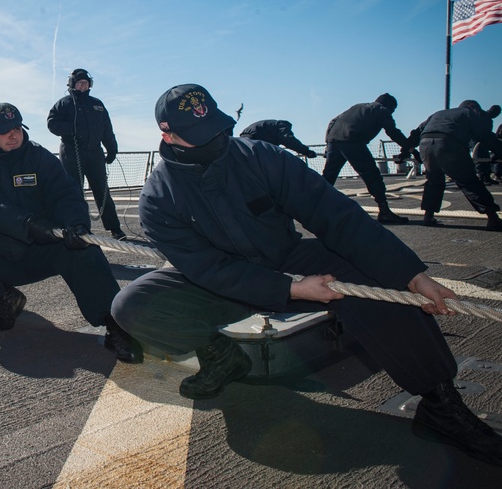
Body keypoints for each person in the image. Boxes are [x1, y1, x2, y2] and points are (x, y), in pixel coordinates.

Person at [111, 83, 502, 466]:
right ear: (166, 133)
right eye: (200, 134)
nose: (215, 138)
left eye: (217, 126)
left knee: (377, 280)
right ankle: (220, 355)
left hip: (287, 255)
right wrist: (291, 289)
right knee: (134, 304)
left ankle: (440, 406)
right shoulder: (158, 199)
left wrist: (412, 275)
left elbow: (336, 216)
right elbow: (208, 268)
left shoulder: (261, 157)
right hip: (222, 280)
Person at [0, 102, 141, 363]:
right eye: (4, 130)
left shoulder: (39, 156)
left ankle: (115, 325)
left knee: (86, 251)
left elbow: (65, 192)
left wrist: (76, 223)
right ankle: (6, 297)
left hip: (45, 248)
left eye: (17, 128)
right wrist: (30, 224)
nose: (13, 134)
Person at [47, 69, 126, 240]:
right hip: (72, 151)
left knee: (102, 190)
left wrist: (112, 148)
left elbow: (107, 128)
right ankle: (78, 226)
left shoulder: (97, 104)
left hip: (95, 152)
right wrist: (71, 129)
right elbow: (52, 123)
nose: (83, 85)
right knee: (74, 190)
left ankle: (115, 228)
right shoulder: (65, 103)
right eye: (79, 82)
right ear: (72, 84)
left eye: (85, 82)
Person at [402, 101, 502, 230]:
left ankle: (428, 216)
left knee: (433, 181)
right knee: (468, 181)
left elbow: (416, 132)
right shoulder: (468, 113)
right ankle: (493, 217)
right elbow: (485, 136)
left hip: (425, 145)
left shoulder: (438, 113)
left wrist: (405, 151)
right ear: (472, 107)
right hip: (448, 144)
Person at [321, 93, 410, 224]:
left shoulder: (357, 106)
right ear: (390, 106)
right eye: (393, 109)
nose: (392, 112)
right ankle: (384, 211)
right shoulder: (382, 110)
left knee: (328, 177)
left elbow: (333, 121)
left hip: (334, 141)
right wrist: (409, 147)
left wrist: (328, 144)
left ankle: (315, 205)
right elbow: (393, 132)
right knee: (372, 176)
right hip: (353, 141)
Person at [239, 119, 318, 159]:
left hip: (244, 140)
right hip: (255, 141)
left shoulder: (271, 125)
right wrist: (306, 151)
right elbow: (288, 140)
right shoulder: (281, 125)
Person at [471, 105, 501, 185]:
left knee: (486, 158)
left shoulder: (488, 119)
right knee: (479, 158)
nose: (497, 115)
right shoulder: (481, 115)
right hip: (477, 140)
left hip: (484, 141)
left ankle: (486, 177)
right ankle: (482, 177)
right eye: (497, 113)